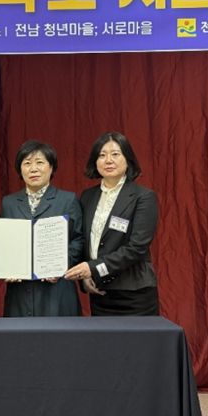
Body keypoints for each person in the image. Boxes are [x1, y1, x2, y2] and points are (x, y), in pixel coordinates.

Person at [64, 132, 159, 315]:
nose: (108, 160)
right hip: (100, 292)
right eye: (102, 155)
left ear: (128, 160)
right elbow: (83, 239)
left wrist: (93, 269)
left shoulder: (143, 197)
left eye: (115, 154)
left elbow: (137, 247)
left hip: (134, 293)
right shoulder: (87, 196)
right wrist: (86, 276)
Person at [2, 140, 84, 317]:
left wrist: (61, 265)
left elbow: (78, 239)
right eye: (27, 163)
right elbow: (3, 243)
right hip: (20, 291)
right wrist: (6, 266)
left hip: (57, 289)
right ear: (20, 169)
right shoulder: (9, 203)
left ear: (51, 167)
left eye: (40, 162)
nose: (33, 169)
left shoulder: (67, 200)